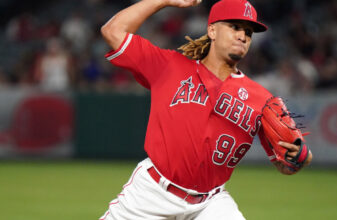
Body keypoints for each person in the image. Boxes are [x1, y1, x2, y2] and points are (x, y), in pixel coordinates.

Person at [100, 0, 313, 219]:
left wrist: (300, 158)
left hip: (210, 204)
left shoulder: (263, 100)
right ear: (212, 30)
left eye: (249, 32)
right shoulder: (169, 66)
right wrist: (163, 1)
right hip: (151, 194)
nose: (243, 36)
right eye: (235, 27)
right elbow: (112, 30)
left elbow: (285, 165)